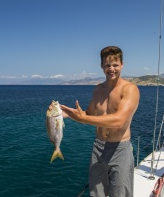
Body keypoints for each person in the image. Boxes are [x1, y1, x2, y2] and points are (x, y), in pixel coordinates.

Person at [60, 46, 140, 197]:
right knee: (96, 193)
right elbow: (89, 113)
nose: (111, 69)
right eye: (107, 65)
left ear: (122, 64)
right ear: (101, 66)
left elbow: (119, 121)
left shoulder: (130, 89)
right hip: (98, 148)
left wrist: (82, 118)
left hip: (120, 149)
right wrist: (66, 114)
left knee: (121, 193)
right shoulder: (98, 90)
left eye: (115, 65)